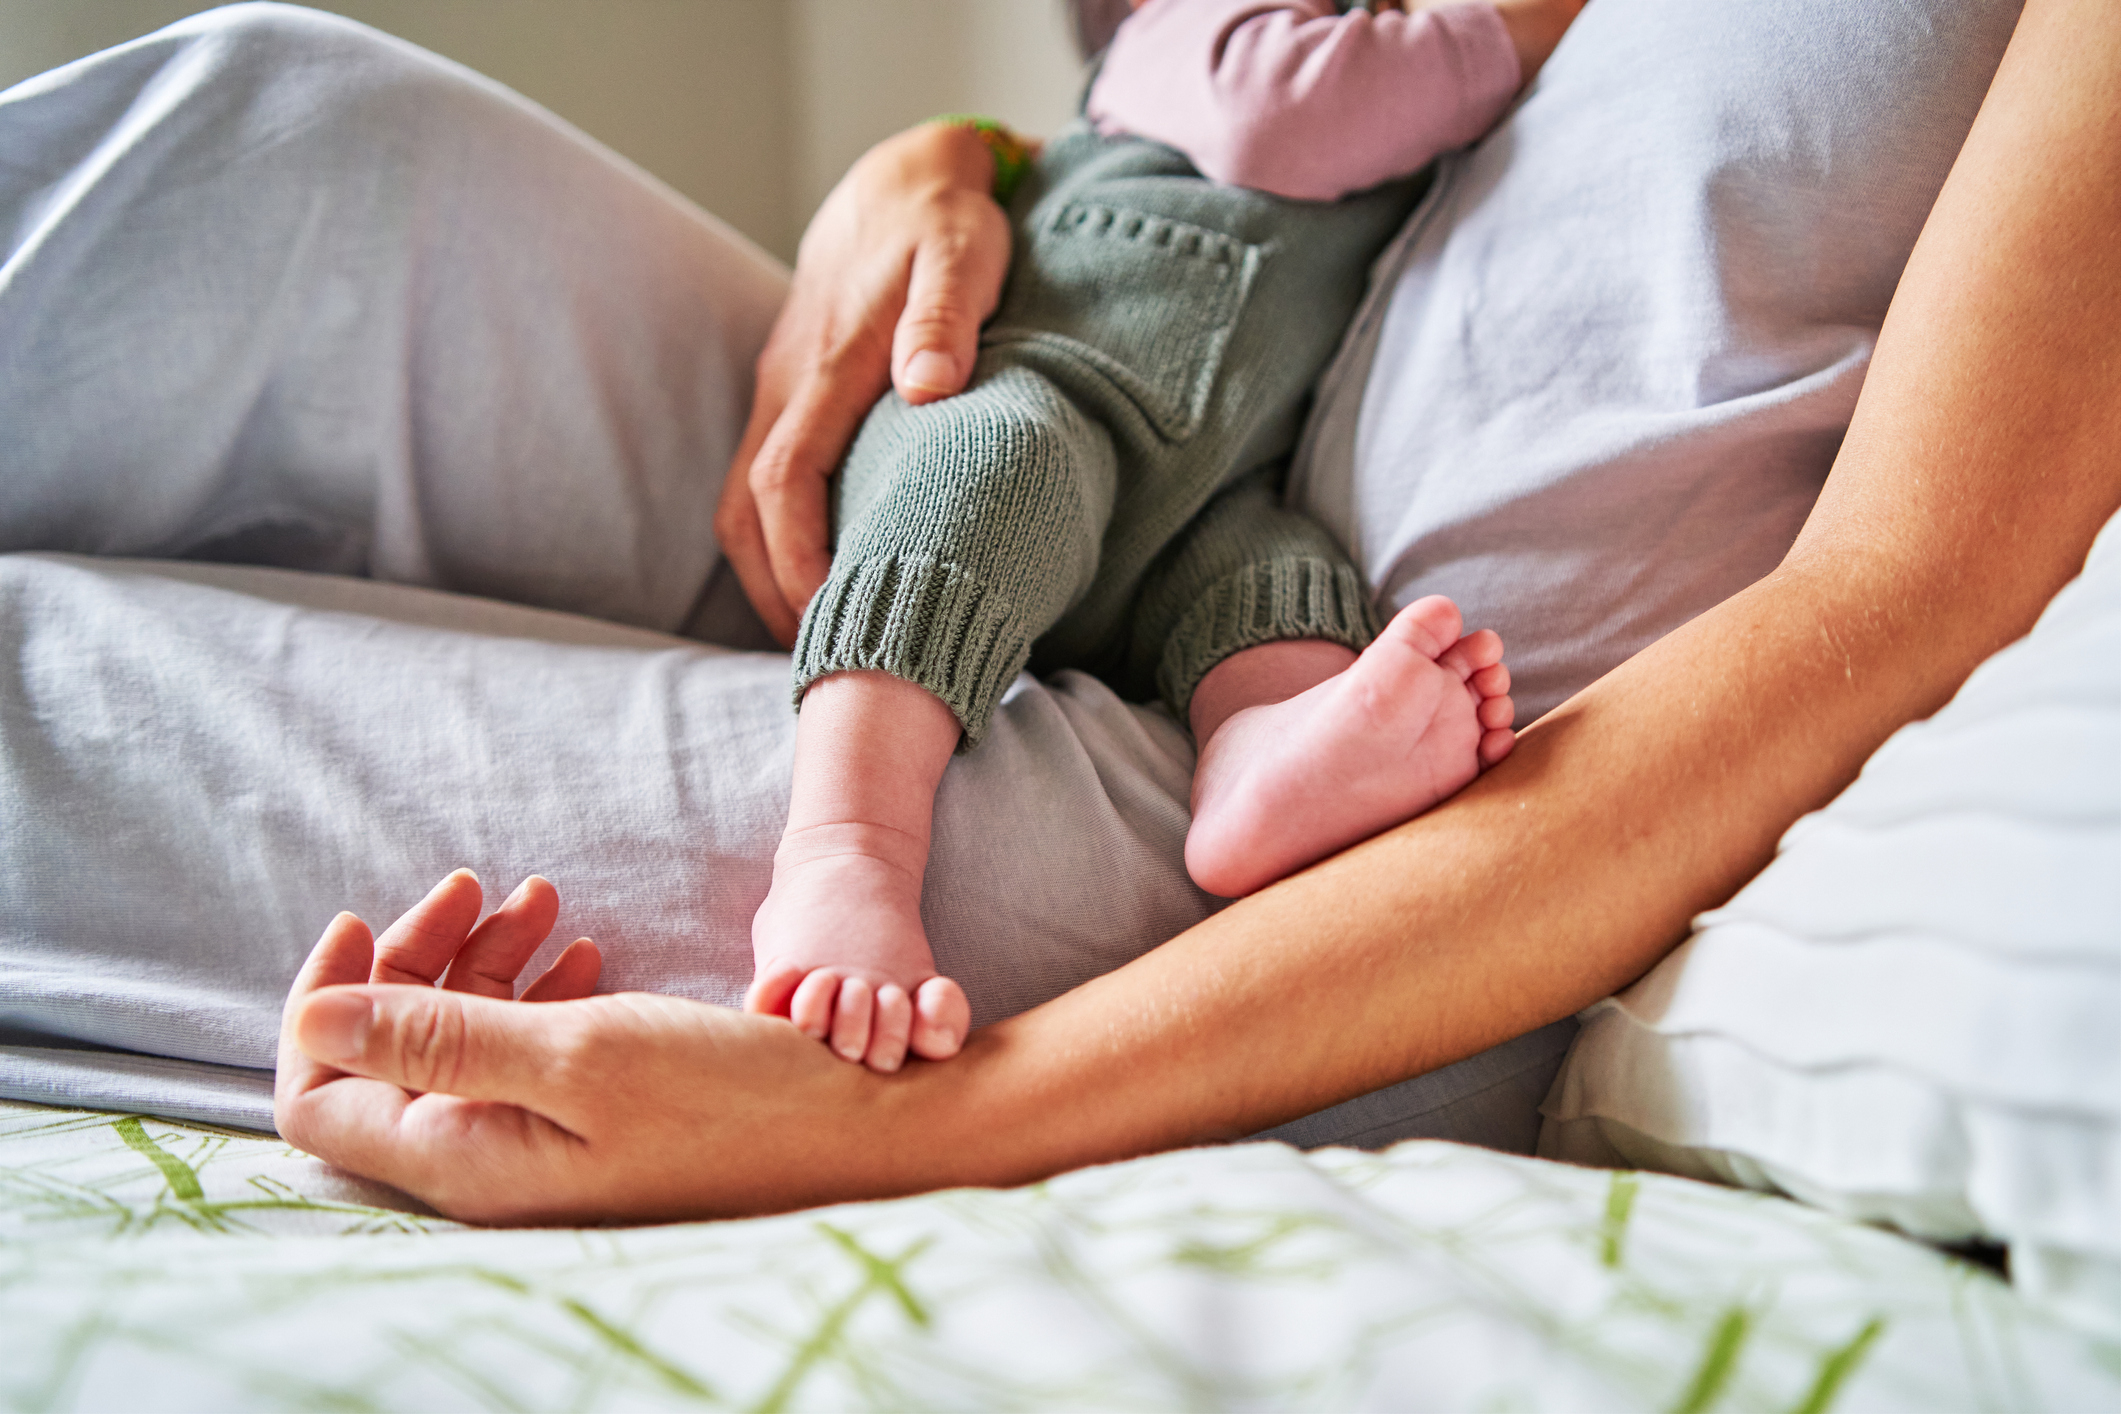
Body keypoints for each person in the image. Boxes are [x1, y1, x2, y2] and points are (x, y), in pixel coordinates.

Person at [4, 0, 2115, 1223]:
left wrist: (915, 1118)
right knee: (284, 133)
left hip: (1363, 841)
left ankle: (870, 836)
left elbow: (1895, 601)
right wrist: (961, 165)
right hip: (1116, 420)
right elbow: (1281, 139)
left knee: (64, 701)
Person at [751, 0, 1591, 1073]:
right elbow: (1287, 110)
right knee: (996, 464)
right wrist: (1517, 28)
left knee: (1276, 573)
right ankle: (843, 851)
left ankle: (1258, 763)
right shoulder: (1185, 42)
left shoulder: (1412, 150)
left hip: (1203, 501)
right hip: (1027, 397)